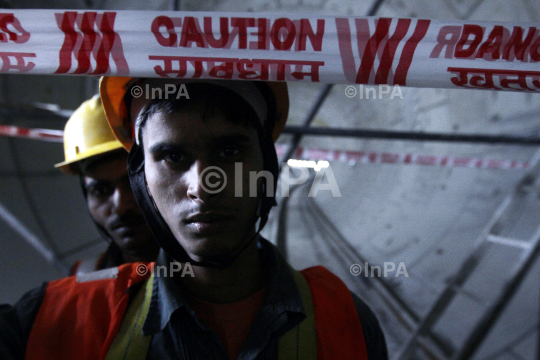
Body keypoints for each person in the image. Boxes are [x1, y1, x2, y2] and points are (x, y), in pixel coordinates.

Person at [0, 79, 387, 360]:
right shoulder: (57, 320)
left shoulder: (345, 320)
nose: (203, 187)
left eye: (230, 150)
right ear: (143, 180)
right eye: (173, 157)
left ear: (265, 168)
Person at [54, 95, 159, 274]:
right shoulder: (85, 276)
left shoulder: (216, 278)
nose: (121, 207)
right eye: (101, 190)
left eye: (135, 183)